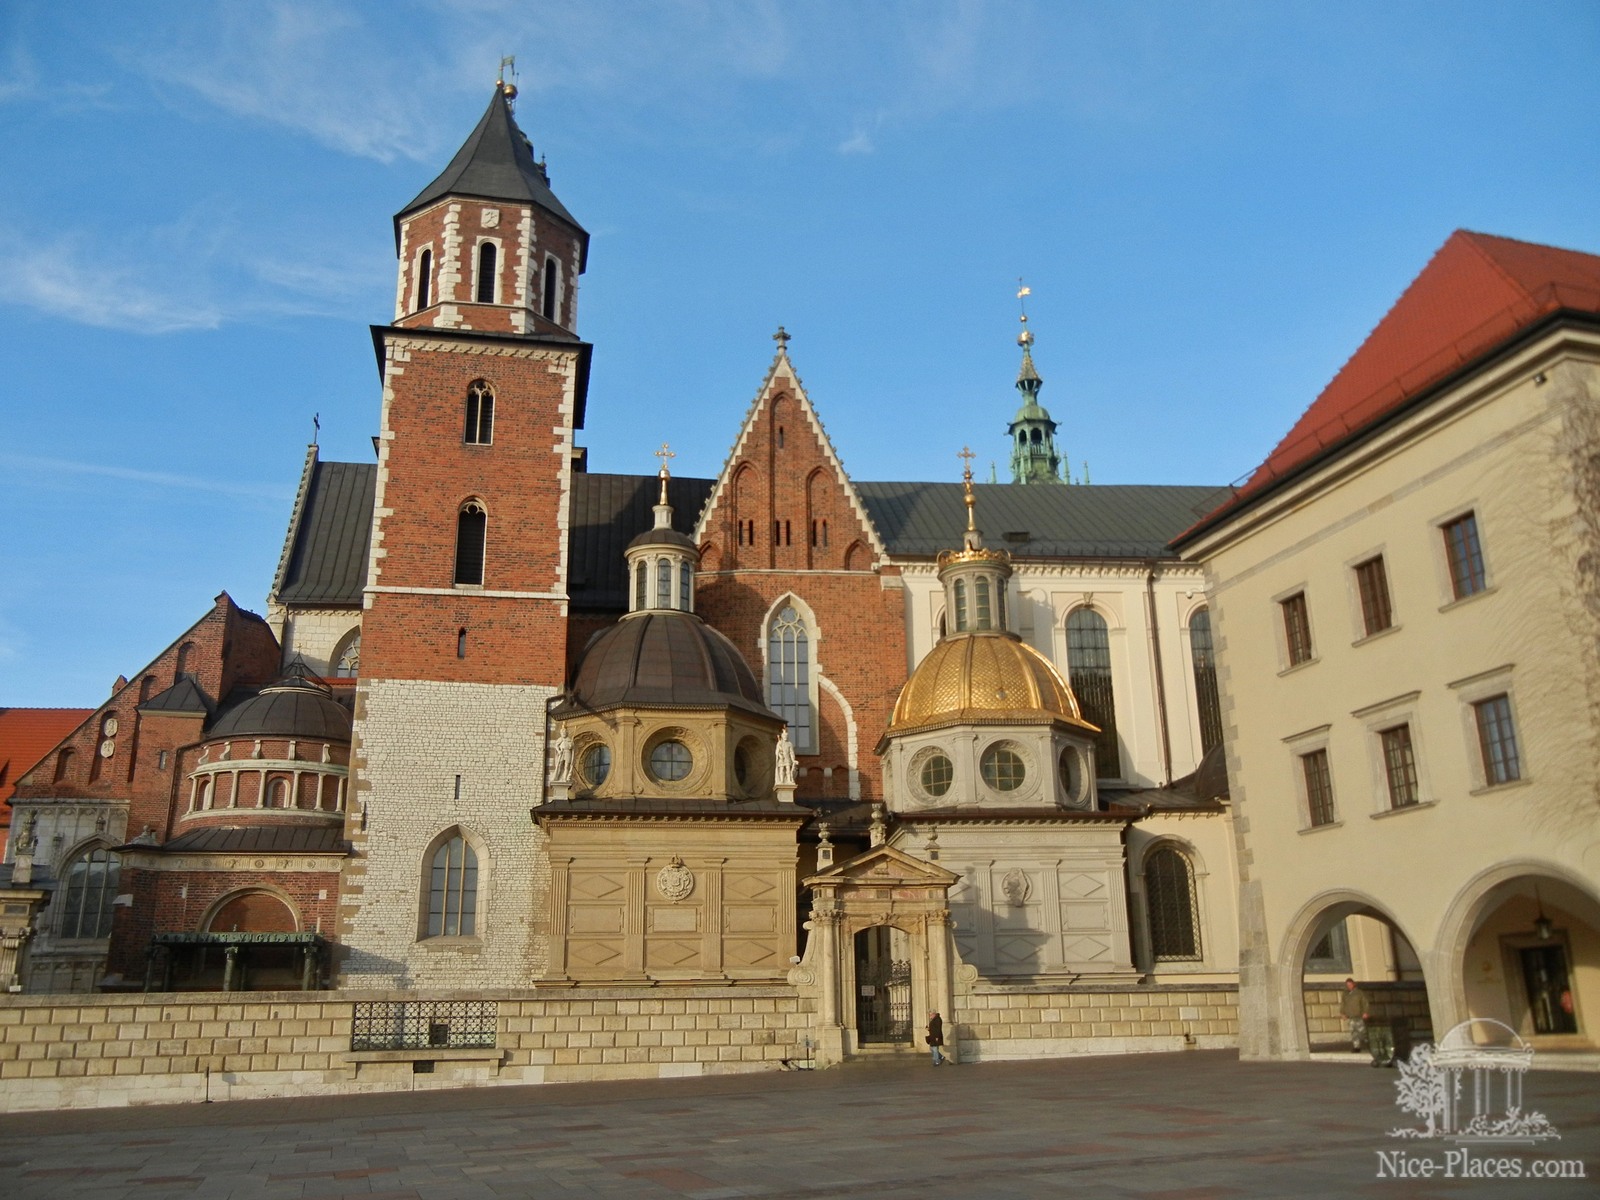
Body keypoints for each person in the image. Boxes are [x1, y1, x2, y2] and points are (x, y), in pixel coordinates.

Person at [1339, 977, 1369, 1054]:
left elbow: (1365, 1002)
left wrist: (1365, 1012)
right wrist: (1342, 1013)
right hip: (1350, 1016)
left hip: (1358, 1015)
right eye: (1347, 985)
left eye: (1350, 984)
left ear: (1353, 984)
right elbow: (1343, 1004)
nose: (1349, 986)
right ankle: (1356, 1047)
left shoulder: (1359, 993)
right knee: (1353, 1032)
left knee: (1363, 1031)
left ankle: (1370, 1044)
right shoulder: (1345, 994)